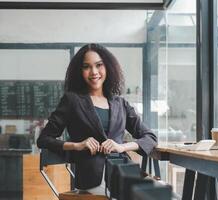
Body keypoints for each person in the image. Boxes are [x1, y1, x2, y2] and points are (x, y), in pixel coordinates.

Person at [37, 43, 157, 194]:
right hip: (92, 177)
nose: (94, 72)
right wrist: (77, 145)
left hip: (123, 172)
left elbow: (150, 137)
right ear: (80, 71)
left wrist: (121, 147)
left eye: (99, 65)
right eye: (86, 67)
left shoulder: (120, 103)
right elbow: (44, 139)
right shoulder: (72, 100)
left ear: (108, 67)